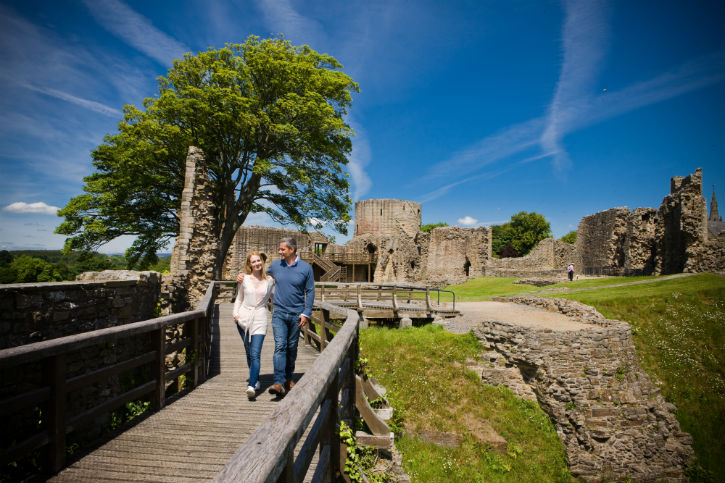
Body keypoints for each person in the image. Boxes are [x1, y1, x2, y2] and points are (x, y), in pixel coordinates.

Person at [237, 237, 314, 397]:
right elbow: (258, 274)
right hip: (278, 313)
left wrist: (306, 312)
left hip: (296, 314)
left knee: (292, 348)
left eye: (282, 249)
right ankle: (278, 382)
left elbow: (310, 291)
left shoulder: (306, 268)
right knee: (280, 346)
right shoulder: (276, 266)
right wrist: (242, 276)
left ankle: (288, 378)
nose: (279, 252)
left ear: (291, 250)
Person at [233, 251, 275, 400]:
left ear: (262, 262)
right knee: (249, 351)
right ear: (249, 264)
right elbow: (239, 298)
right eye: (253, 261)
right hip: (243, 318)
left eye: (259, 260)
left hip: (260, 318)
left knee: (255, 353)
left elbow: (276, 298)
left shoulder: (270, 280)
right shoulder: (244, 279)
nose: (257, 263)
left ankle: (251, 385)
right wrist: (235, 315)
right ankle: (256, 378)